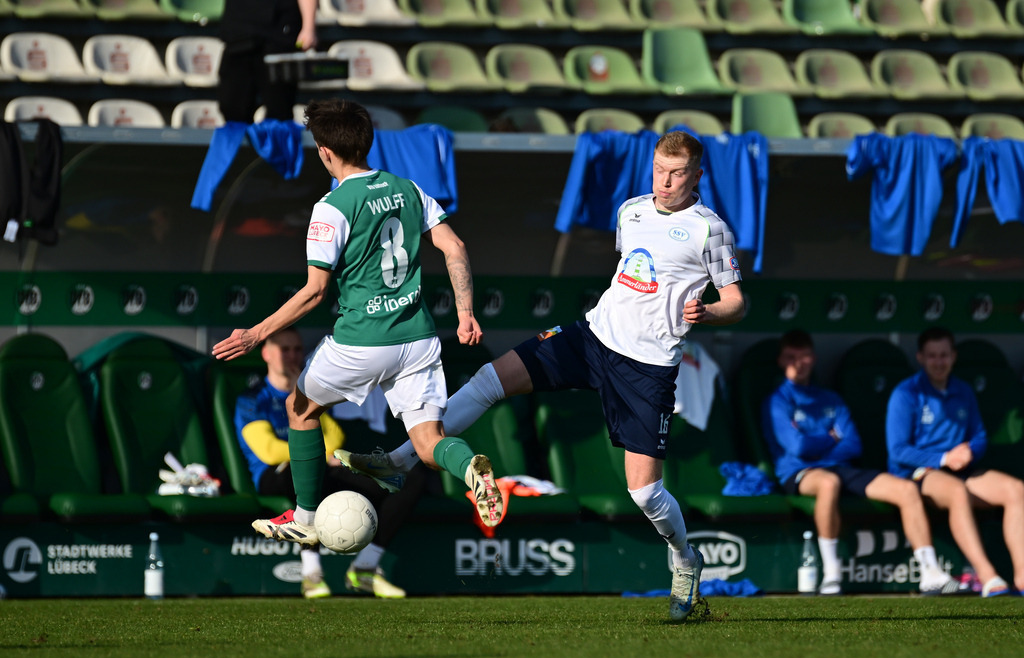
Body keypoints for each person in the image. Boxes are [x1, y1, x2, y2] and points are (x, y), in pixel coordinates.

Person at [337, 130, 745, 621]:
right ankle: (401, 461)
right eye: (660, 169)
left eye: (678, 173)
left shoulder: (709, 228)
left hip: (648, 367)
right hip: (592, 337)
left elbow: (737, 301)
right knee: (492, 377)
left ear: (697, 175)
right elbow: (630, 274)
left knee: (643, 493)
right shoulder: (631, 211)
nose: (666, 181)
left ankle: (684, 559)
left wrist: (711, 313)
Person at [213, 98, 503, 554]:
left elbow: (313, 292)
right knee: (428, 444)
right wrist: (465, 312)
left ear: (325, 151)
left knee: (299, 409)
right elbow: (455, 246)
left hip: (362, 341)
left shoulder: (331, 207)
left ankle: (305, 517)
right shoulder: (408, 188)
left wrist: (255, 334)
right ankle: (471, 470)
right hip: (419, 338)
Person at [762, 330, 965, 596]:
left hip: (843, 467)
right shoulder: (777, 400)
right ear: (781, 361)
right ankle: (832, 574)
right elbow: (796, 446)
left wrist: (823, 445)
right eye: (792, 357)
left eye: (805, 357)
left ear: (813, 359)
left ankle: (930, 573)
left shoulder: (831, 398)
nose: (799, 363)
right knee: (828, 482)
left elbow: (853, 444)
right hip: (799, 471)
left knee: (906, 489)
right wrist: (831, 437)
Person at [235, 327, 425, 599]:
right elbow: (267, 450)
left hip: (324, 467)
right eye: (284, 349)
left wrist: (299, 395)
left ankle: (365, 567)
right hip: (274, 475)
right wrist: (316, 456)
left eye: (297, 349)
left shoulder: (312, 393)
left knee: (406, 478)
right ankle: (311, 575)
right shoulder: (253, 399)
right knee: (301, 470)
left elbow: (335, 438)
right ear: (266, 353)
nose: (292, 356)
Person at [887, 327, 1024, 597]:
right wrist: (943, 458)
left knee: (1016, 490)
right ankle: (988, 577)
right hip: (919, 473)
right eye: (933, 356)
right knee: (956, 491)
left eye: (944, 355)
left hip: (962, 469)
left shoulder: (963, 390)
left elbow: (980, 436)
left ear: (954, 356)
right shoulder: (906, 393)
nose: (939, 362)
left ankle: (1021, 576)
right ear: (921, 358)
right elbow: (898, 450)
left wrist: (969, 452)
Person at [217, 0, 318, 123]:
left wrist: (309, 27)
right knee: (231, 107)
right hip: (238, 32)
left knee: (279, 111)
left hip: (279, 34)